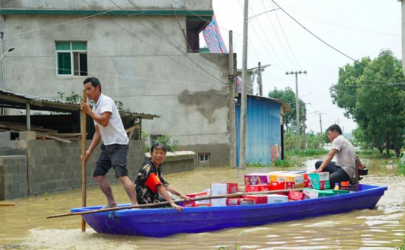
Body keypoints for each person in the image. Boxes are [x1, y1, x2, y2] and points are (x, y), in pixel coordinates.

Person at [80, 77, 138, 208]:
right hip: (107, 145)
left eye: (89, 89)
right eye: (85, 90)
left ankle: (135, 204)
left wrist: (88, 111)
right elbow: (98, 132)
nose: (87, 92)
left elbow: (104, 121)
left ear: (98, 88)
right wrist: (89, 151)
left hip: (118, 143)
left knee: (121, 175)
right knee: (98, 174)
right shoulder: (95, 107)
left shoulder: (106, 101)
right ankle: (112, 202)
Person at [135, 143, 191, 212]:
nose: (159, 155)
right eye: (156, 153)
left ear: (165, 155)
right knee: (173, 203)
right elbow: (159, 187)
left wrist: (181, 194)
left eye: (161, 153)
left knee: (174, 200)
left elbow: (165, 185)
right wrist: (172, 203)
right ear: (151, 154)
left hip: (154, 197)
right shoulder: (148, 167)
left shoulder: (157, 167)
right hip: (145, 201)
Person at [314, 124, 359, 188]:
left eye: (329, 134)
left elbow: (330, 155)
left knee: (326, 180)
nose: (328, 136)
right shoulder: (345, 140)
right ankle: (330, 181)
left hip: (345, 171)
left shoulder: (338, 139)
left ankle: (330, 187)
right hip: (340, 167)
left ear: (335, 132)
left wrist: (320, 168)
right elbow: (356, 157)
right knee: (318, 163)